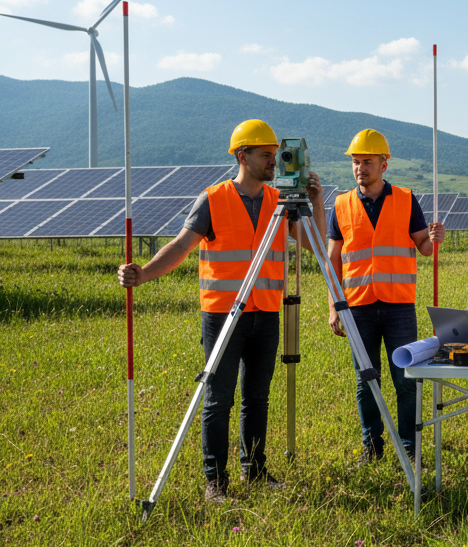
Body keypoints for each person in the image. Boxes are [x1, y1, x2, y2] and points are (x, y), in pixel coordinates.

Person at [117, 119, 327, 504]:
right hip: (223, 314)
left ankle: (256, 470)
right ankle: (216, 481)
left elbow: (316, 245)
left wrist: (314, 203)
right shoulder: (212, 198)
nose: (274, 163)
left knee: (257, 396)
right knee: (218, 398)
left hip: (265, 312)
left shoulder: (278, 202)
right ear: (242, 156)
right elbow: (181, 246)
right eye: (266, 155)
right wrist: (143, 273)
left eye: (274, 155)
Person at [326, 128, 445, 467]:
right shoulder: (341, 205)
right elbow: (333, 260)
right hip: (358, 306)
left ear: (384, 165)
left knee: (405, 379)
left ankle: (409, 446)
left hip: (398, 306)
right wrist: (335, 306)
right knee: (367, 379)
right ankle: (372, 446)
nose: (360, 168)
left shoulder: (406, 200)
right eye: (355, 162)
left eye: (367, 162)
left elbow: (423, 247)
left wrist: (434, 238)